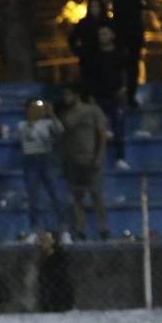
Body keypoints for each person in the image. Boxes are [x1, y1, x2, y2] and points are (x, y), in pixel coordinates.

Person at [59, 84, 109, 241]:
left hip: (91, 159)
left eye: (68, 95)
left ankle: (103, 227)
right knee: (77, 196)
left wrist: (99, 156)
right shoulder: (65, 114)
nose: (65, 98)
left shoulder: (92, 110)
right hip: (73, 161)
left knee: (96, 195)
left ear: (76, 95)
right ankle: (80, 229)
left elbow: (102, 134)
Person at [104, 0, 153, 106]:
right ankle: (117, 93)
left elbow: (150, 2)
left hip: (135, 27)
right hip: (118, 27)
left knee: (133, 62)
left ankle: (131, 95)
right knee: (117, 62)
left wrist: (143, 9)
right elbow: (106, 2)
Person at [82, 26, 129, 170]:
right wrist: (90, 94)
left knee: (118, 126)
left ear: (112, 35)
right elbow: (89, 75)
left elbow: (124, 72)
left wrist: (123, 87)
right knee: (97, 129)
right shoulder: (94, 55)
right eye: (100, 34)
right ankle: (96, 160)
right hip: (99, 96)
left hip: (115, 95)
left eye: (105, 33)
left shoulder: (119, 53)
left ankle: (120, 158)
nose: (102, 36)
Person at [17, 99, 64, 233]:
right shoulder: (22, 125)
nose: (37, 110)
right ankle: (34, 228)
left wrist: (52, 115)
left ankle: (63, 227)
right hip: (30, 161)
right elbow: (28, 137)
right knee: (33, 196)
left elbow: (59, 131)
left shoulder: (48, 123)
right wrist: (33, 122)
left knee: (55, 193)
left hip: (46, 159)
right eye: (33, 108)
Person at [67, 0, 111, 80]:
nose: (95, 9)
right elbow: (72, 39)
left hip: (106, 60)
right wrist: (79, 52)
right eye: (93, 6)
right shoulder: (83, 23)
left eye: (97, 6)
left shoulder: (108, 22)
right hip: (88, 61)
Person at [37, 231, 74, 312]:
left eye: (47, 240)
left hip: (60, 296)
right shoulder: (40, 256)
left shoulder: (60, 256)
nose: (43, 243)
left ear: (53, 241)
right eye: (42, 240)